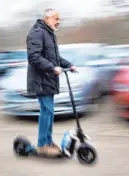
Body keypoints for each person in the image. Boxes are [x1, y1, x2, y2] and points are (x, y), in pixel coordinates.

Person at [26, 9, 76, 157]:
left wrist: (69, 65)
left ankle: (48, 141)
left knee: (49, 112)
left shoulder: (49, 34)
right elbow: (34, 57)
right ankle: (42, 144)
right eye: (56, 18)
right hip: (41, 80)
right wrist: (52, 68)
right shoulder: (37, 32)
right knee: (47, 111)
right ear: (47, 18)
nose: (58, 21)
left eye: (59, 19)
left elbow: (56, 58)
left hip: (49, 80)